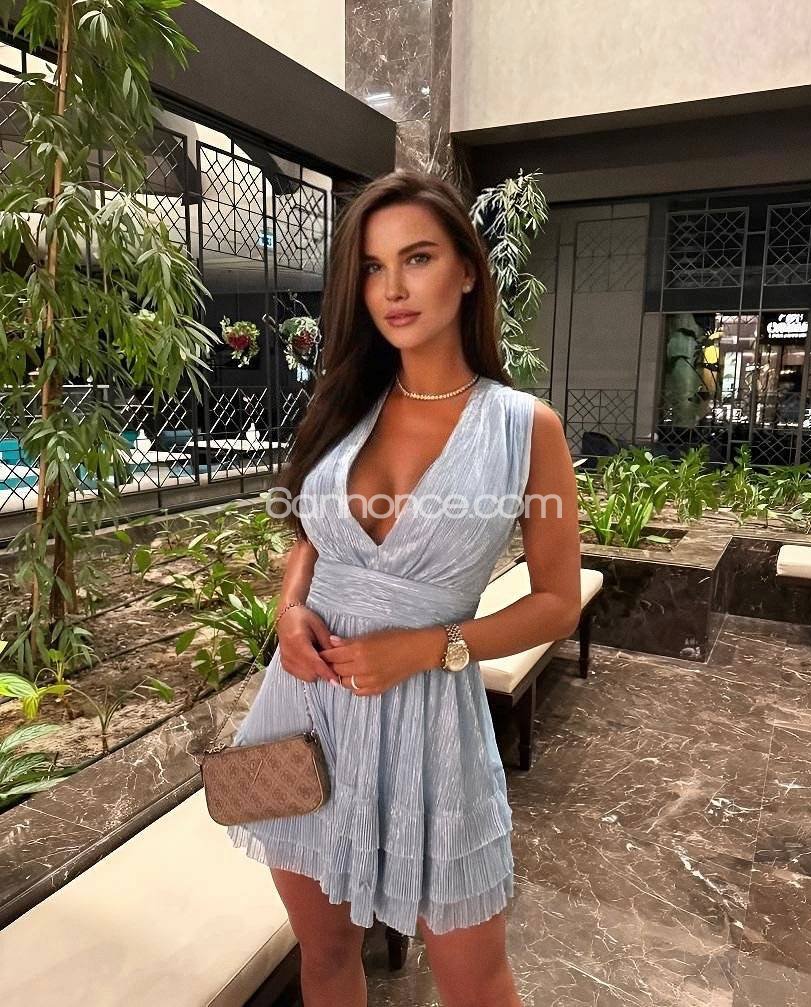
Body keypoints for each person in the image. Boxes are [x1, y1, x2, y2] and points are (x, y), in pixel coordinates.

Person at [225, 168, 582, 1007]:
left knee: (475, 979)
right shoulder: (344, 403)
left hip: (431, 722)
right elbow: (310, 534)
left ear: (468, 271)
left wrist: (429, 646)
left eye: (416, 258)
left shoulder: (523, 427)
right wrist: (289, 608)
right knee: (323, 956)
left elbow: (557, 602)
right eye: (373, 268)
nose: (393, 288)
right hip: (306, 711)